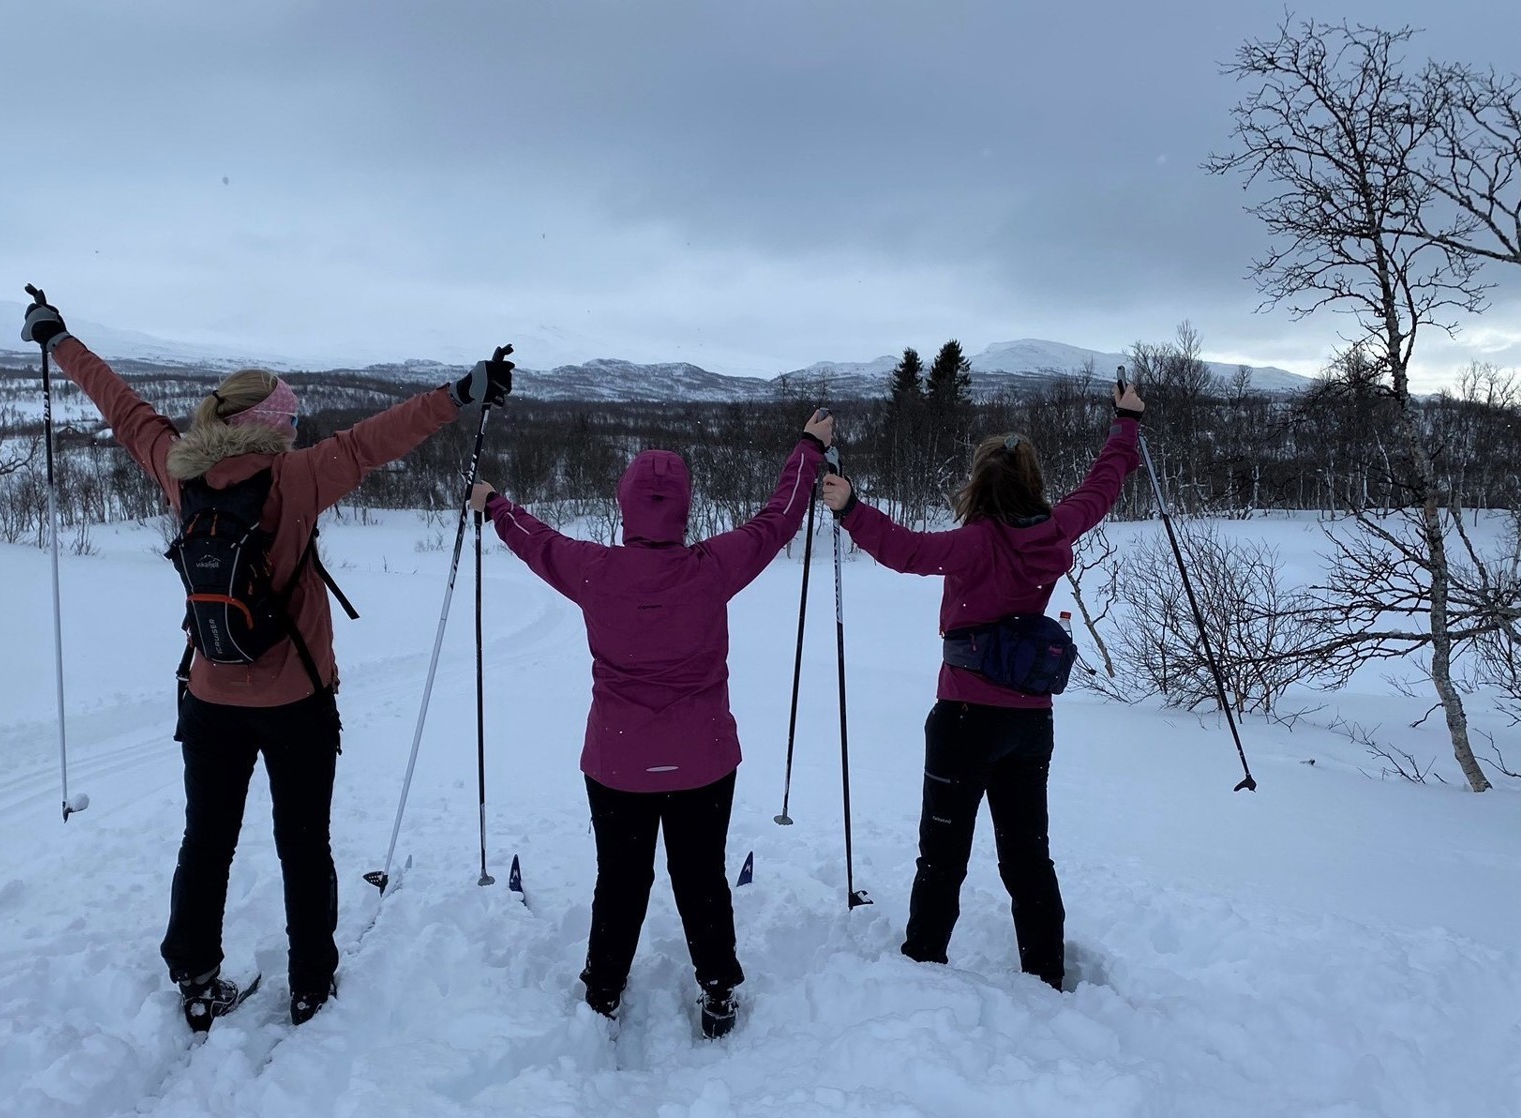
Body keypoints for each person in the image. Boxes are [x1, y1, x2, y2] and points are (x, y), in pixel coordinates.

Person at [21, 294, 512, 1032]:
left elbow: (120, 405)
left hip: (211, 695)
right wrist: (460, 395)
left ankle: (194, 970)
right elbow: (378, 439)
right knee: (304, 843)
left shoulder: (176, 469)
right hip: (299, 701)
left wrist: (57, 338)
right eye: (285, 422)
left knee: (207, 839)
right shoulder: (300, 478)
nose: (293, 431)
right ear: (268, 428)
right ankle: (311, 981)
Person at [468, 410, 834, 1038]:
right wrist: (808, 448)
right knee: (700, 877)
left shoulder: (595, 569)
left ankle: (604, 990)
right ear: (685, 510)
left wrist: (494, 503)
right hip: (703, 761)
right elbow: (778, 521)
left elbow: (535, 539)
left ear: (625, 506)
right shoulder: (712, 566)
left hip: (618, 763)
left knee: (621, 878)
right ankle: (717, 989)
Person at [819, 380, 1146, 990]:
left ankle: (922, 964)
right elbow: (1102, 489)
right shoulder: (1055, 530)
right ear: (1030, 482)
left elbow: (906, 551)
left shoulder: (975, 543)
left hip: (965, 719)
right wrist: (1124, 424)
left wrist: (849, 509)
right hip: (1030, 722)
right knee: (1028, 858)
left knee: (942, 855)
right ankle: (1045, 972)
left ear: (979, 485)